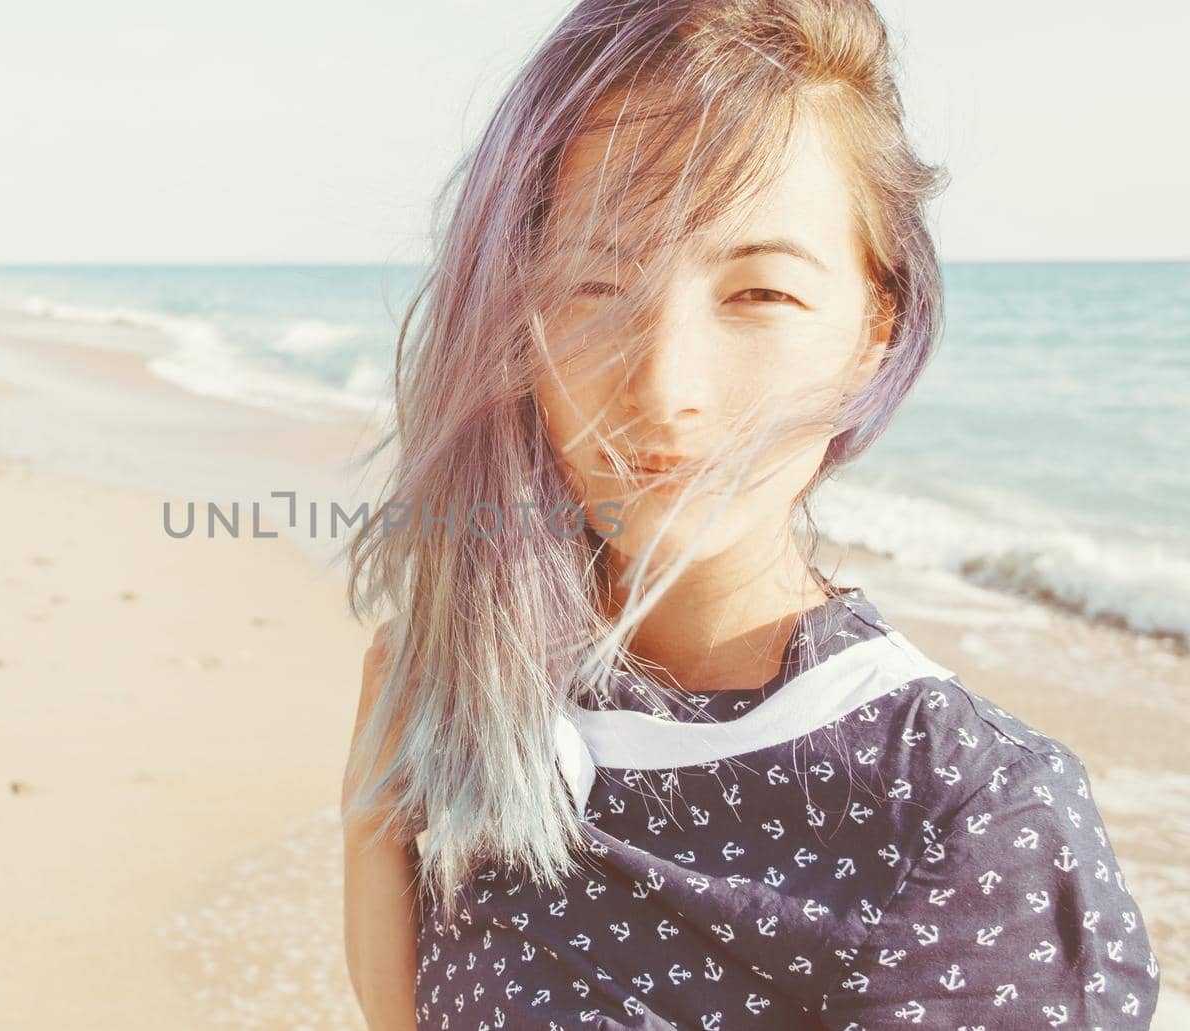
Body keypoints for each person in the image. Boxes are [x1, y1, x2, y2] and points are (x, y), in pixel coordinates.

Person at [339, 1, 1159, 1028]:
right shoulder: (476, 682)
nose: (663, 384)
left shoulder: (970, 814)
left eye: (759, 293)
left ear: (875, 325)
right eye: (594, 284)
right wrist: (369, 826)